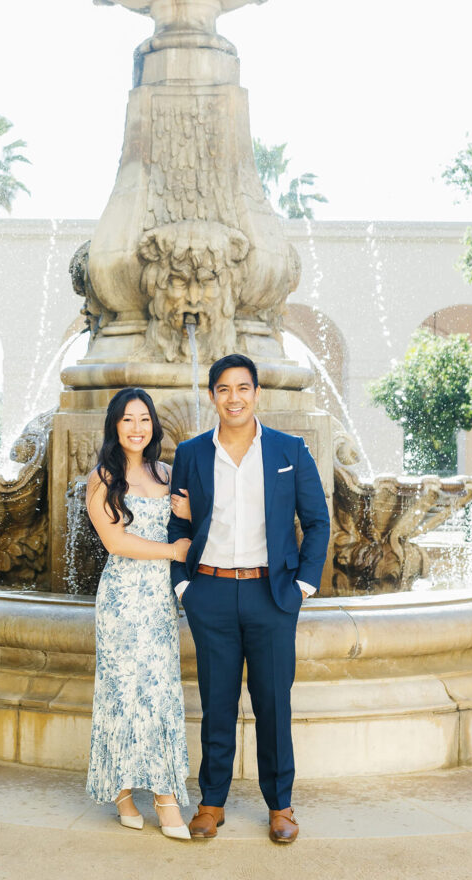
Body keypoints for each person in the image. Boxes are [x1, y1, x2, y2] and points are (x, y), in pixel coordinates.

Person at [167, 354, 331, 844]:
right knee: (216, 703)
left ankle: (280, 807)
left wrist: (302, 585)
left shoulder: (290, 450)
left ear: (256, 393)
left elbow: (317, 522)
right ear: (213, 396)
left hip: (272, 594)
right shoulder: (191, 454)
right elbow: (177, 524)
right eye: (223, 389)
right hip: (210, 593)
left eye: (242, 388)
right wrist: (184, 585)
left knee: (273, 704)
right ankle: (211, 804)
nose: (233, 397)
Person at [85, 387, 192, 840]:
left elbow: (191, 523)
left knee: (160, 693)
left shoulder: (168, 472)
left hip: (161, 601)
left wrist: (187, 511)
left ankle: (164, 792)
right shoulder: (103, 478)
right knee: (122, 693)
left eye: (143, 419)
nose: (136, 428)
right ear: (115, 426)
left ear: (153, 425)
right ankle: (125, 793)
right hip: (122, 600)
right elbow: (116, 543)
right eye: (127, 419)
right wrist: (172, 549)